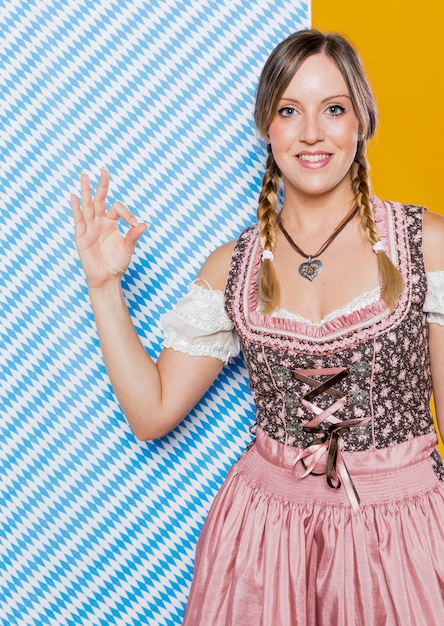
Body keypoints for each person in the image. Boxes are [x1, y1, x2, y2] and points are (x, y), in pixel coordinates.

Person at [71, 28, 444, 626]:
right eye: (289, 111)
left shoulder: (427, 244)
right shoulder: (233, 266)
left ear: (362, 122)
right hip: (267, 540)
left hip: (399, 533)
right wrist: (103, 286)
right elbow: (153, 413)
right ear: (266, 127)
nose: (313, 132)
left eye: (334, 109)